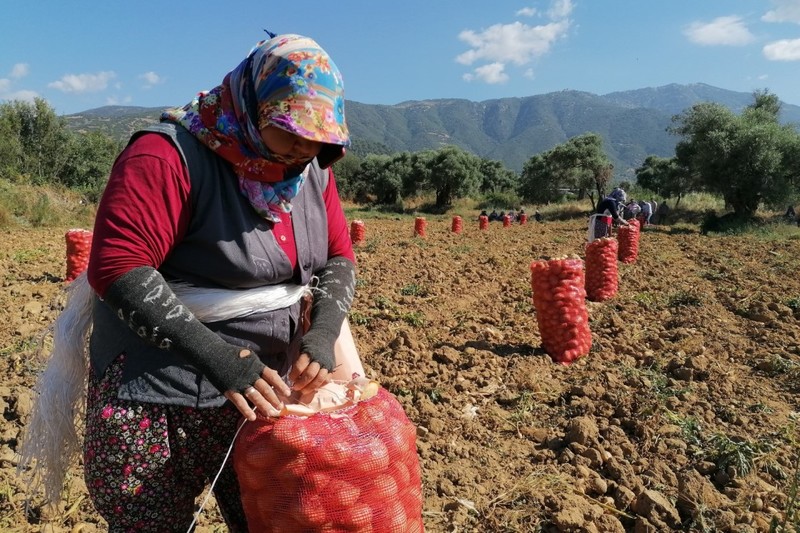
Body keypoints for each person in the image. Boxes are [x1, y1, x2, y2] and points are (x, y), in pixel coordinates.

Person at [75, 34, 355, 531]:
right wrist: (219, 360)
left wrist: (323, 329)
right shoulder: (167, 156)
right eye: (290, 129)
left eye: (318, 137)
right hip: (155, 397)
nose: (304, 147)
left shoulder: (311, 169)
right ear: (251, 103)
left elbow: (337, 255)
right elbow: (120, 267)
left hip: (262, 397)